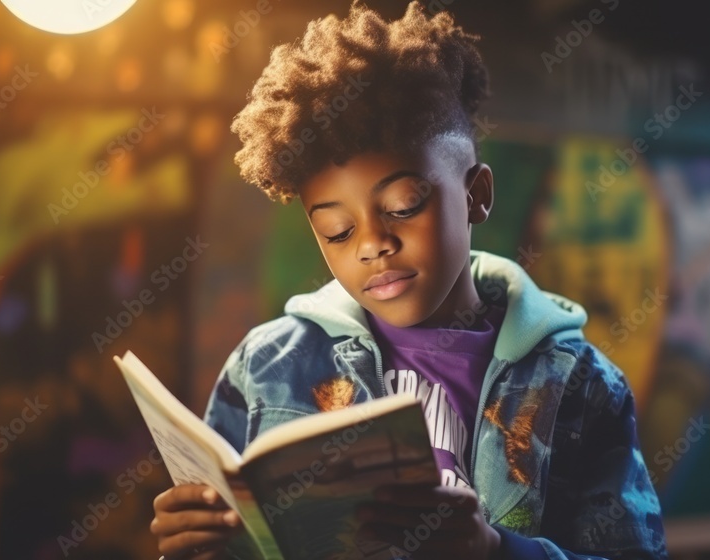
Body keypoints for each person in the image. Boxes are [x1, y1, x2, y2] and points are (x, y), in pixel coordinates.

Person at [150, 2, 668, 558]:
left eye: (403, 206)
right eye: (337, 230)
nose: (373, 244)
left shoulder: (580, 385)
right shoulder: (267, 366)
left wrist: (495, 551)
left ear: (477, 195)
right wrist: (199, 543)